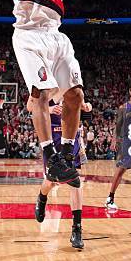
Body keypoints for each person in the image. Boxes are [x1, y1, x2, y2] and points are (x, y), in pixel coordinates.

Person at [7, 0, 87, 187]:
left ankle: (66, 152)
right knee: (39, 94)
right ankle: (50, 155)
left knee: (76, 95)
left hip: (56, 35)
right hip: (27, 37)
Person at [34, 99, 92, 249]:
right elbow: (31, 106)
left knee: (75, 181)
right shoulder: (45, 81)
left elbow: (81, 102)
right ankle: (42, 197)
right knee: (51, 181)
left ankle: (77, 229)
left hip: (71, 137)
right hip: (51, 138)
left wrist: (86, 106)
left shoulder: (72, 80)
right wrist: (50, 108)